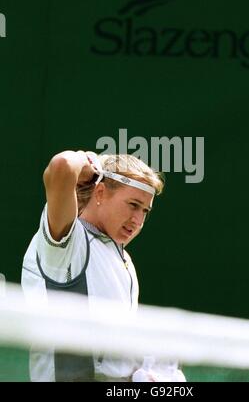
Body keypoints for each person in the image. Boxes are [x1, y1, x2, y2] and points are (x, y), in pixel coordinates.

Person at [21, 150, 164, 382]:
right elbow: (62, 165)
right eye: (133, 204)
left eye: (145, 210)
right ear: (100, 192)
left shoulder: (125, 262)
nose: (138, 220)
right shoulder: (69, 244)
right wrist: (85, 161)